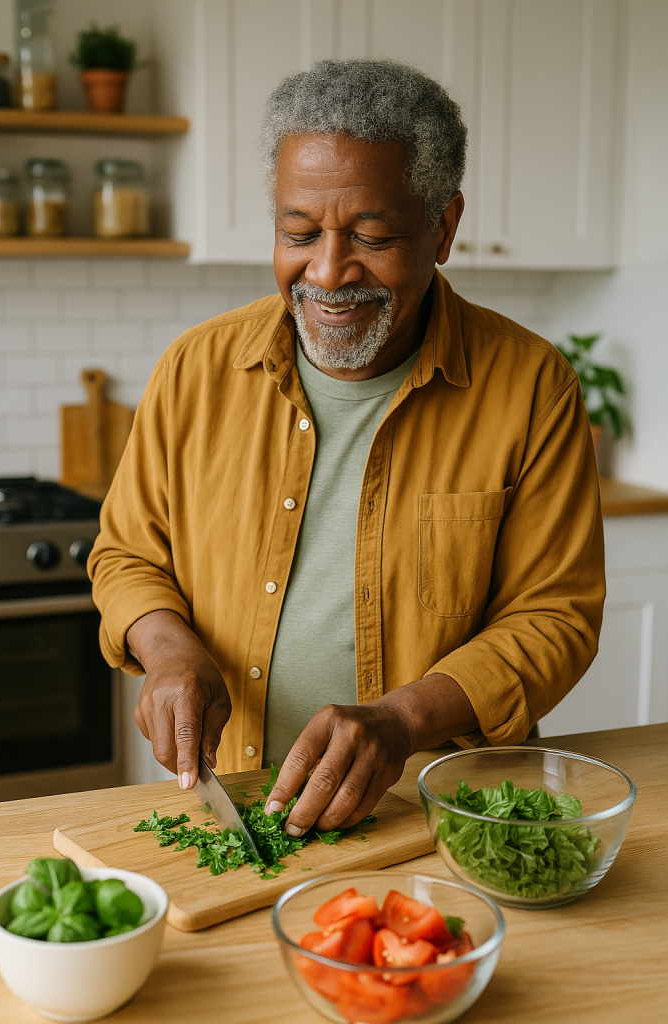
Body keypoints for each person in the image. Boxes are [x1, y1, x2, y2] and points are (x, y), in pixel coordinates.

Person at [89, 59, 604, 839]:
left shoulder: (532, 386)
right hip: (234, 807)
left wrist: (402, 719)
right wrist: (166, 649)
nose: (326, 273)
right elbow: (127, 555)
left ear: (443, 226)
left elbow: (554, 618)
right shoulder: (194, 370)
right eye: (297, 233)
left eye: (373, 236)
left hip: (437, 815)